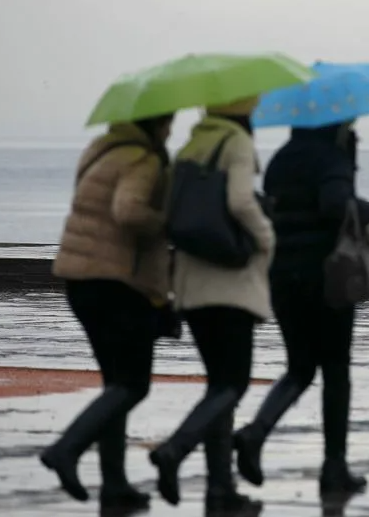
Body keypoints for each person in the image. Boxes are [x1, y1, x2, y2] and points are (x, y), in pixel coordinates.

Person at [40, 113, 174, 510]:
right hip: (118, 285)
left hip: (80, 280)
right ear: (155, 125)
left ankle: (115, 485)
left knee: (116, 386)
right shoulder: (141, 159)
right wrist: (167, 222)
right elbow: (129, 211)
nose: (170, 129)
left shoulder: (101, 150)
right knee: (133, 385)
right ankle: (66, 449)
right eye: (167, 123)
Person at [148, 98, 274, 512]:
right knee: (233, 384)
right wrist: (266, 237)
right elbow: (240, 202)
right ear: (243, 110)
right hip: (228, 285)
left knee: (219, 386)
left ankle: (220, 489)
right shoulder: (235, 141)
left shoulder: (191, 145)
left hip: (190, 285)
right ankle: (175, 450)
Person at [232, 120, 369, 497]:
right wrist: (361, 205)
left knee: (299, 367)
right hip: (325, 277)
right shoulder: (331, 158)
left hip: (283, 277)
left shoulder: (280, 160)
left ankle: (255, 432)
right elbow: (336, 206)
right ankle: (334, 467)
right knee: (336, 370)